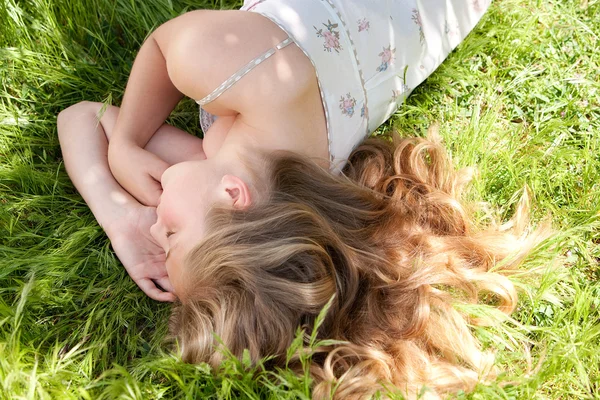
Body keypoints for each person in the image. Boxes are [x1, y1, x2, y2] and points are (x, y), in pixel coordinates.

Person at [57, 0, 546, 397]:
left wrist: (120, 218)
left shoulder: (275, 178)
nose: (155, 226)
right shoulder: (229, 63)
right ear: (234, 196)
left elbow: (80, 117)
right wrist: (124, 145)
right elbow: (165, 46)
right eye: (174, 234)